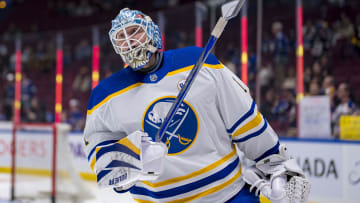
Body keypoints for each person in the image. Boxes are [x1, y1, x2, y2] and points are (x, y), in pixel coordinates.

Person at [83, 8, 309, 202]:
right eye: (121, 38)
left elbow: (243, 117)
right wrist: (132, 157)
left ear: (151, 31)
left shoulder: (196, 60)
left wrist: (275, 161)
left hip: (228, 195)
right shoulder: (105, 95)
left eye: (134, 32)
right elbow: (99, 154)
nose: (129, 42)